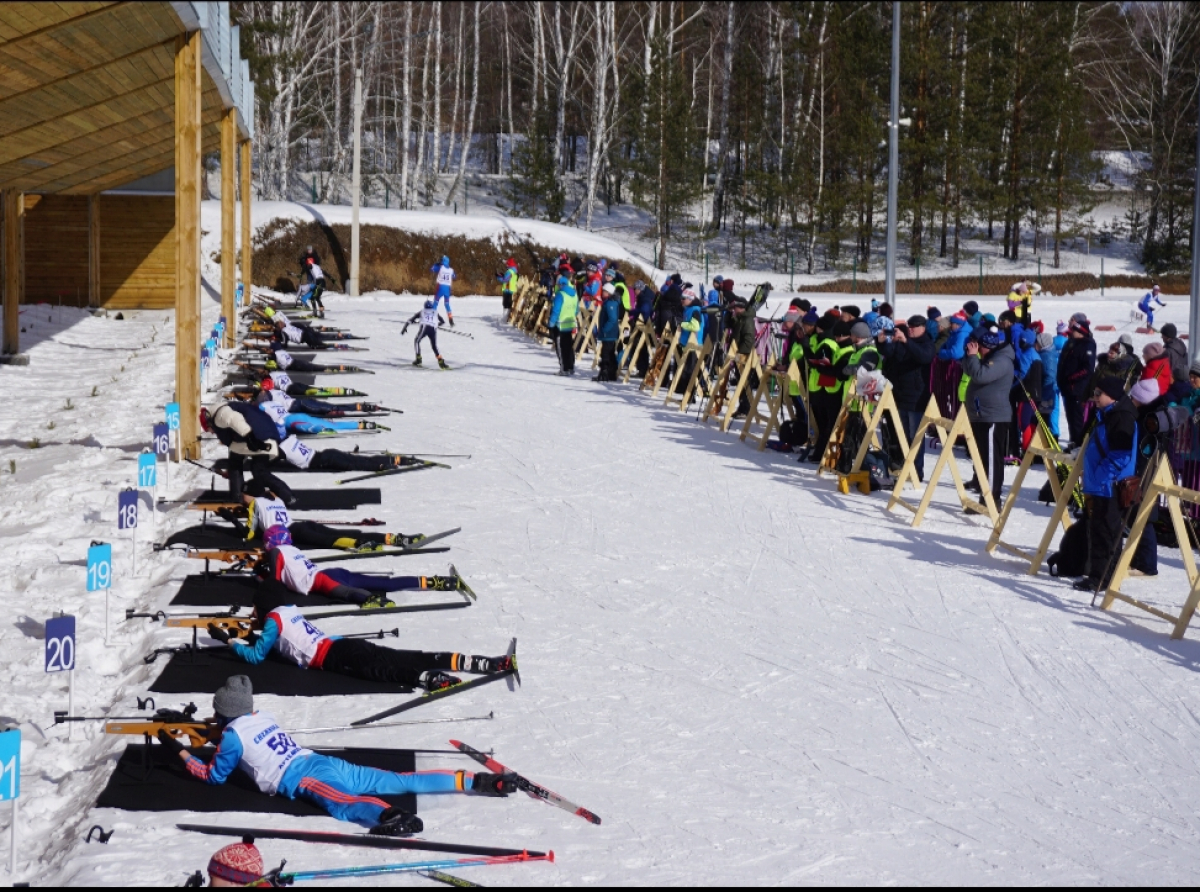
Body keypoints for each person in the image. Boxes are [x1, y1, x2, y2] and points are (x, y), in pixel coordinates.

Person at [163, 676, 517, 835]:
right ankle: (477, 780)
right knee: (396, 780)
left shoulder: (231, 737)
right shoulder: (261, 716)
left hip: (303, 778)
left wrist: (179, 751)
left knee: (345, 803)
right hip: (321, 760)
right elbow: (230, 731)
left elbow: (213, 775)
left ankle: (391, 816)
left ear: (224, 713)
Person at [215, 586, 513, 692]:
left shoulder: (272, 620)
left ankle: (429, 679)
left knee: (382, 671)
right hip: (341, 643)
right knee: (401, 656)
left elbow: (256, 656)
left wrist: (229, 642)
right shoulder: (288, 610)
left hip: (333, 658)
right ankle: (480, 662)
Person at [254, 539, 468, 609]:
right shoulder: (292, 549)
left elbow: (274, 581)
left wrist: (259, 576)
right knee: (387, 583)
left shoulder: (275, 553)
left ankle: (371, 599)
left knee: (348, 593)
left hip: (322, 581)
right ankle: (436, 581)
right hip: (332, 572)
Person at [1073, 378, 1137, 591]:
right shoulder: (1107, 414)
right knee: (1098, 529)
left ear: (1112, 395)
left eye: (1099, 393)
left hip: (1110, 485)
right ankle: (1097, 575)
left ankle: (1103, 578)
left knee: (1107, 533)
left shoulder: (1121, 417)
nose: (1095, 397)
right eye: (1095, 392)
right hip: (1100, 484)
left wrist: (1100, 476)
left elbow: (1121, 455)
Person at [237, 492, 421, 552]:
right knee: (337, 532)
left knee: (329, 541)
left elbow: (250, 531)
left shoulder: (255, 503)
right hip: (300, 525)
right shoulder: (276, 500)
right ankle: (393, 538)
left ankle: (362, 545)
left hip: (291, 533)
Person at [962, 325, 1015, 505]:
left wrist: (972, 357)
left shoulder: (1001, 360)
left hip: (993, 417)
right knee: (983, 458)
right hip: (981, 414)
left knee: (992, 460)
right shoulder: (989, 357)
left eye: (978, 345)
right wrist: (968, 356)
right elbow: (969, 369)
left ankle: (992, 499)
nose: (976, 349)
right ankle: (985, 495)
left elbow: (979, 375)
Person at [201, 403, 293, 504]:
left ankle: (237, 497)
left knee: (242, 465)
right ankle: (287, 495)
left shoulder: (220, 415)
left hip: (258, 438)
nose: (212, 433)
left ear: (209, 423)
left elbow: (235, 419)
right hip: (267, 434)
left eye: (209, 430)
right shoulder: (228, 408)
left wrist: (250, 437)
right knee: (257, 469)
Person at [879, 316, 935, 482]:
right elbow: (889, 353)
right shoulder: (903, 342)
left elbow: (924, 357)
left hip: (917, 397)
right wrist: (882, 342)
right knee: (902, 434)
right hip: (900, 394)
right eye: (909, 327)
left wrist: (906, 342)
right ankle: (906, 466)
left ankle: (917, 471)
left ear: (923, 328)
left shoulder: (927, 343)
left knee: (915, 435)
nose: (910, 330)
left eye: (914, 327)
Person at [1057, 318, 1097, 448]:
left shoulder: (1088, 344)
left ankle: (1078, 445)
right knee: (1070, 418)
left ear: (1081, 332)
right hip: (1067, 389)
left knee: (1077, 420)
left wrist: (1071, 378)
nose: (1070, 333)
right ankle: (1073, 441)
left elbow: (1088, 369)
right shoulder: (1071, 342)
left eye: (1073, 330)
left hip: (1078, 389)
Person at [403, 301, 449, 370]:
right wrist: (436, 325)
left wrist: (405, 328)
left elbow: (410, 320)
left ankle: (418, 359)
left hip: (425, 328)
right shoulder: (435, 311)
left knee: (417, 341)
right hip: (433, 329)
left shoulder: (422, 311)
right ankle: (441, 361)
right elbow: (442, 321)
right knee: (434, 346)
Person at [1036, 331, 1063, 440]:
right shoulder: (1046, 353)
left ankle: (1052, 440)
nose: (1034, 345)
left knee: (1047, 419)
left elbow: (1050, 376)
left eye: (1036, 342)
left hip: (1048, 393)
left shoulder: (1047, 357)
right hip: (1049, 392)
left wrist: (1043, 394)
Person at [551, 272, 579, 376]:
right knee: (569, 347)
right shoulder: (574, 294)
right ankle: (571, 367)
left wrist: (551, 323)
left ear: (560, 285)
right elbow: (577, 310)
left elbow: (555, 311)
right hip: (570, 324)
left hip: (560, 325)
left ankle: (564, 369)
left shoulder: (560, 295)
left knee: (561, 348)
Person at [594, 283, 622, 382]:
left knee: (606, 353)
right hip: (610, 333)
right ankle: (611, 373)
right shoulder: (609, 302)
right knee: (610, 353)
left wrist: (604, 329)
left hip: (609, 333)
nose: (602, 293)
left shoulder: (610, 303)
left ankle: (604, 374)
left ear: (609, 293)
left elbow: (612, 319)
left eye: (604, 291)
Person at [430, 255, 456, 326]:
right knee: (447, 304)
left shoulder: (440, 267)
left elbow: (431, 269)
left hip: (440, 287)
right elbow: (454, 276)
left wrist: (436, 264)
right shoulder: (451, 270)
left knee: (435, 303)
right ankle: (451, 320)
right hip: (447, 289)